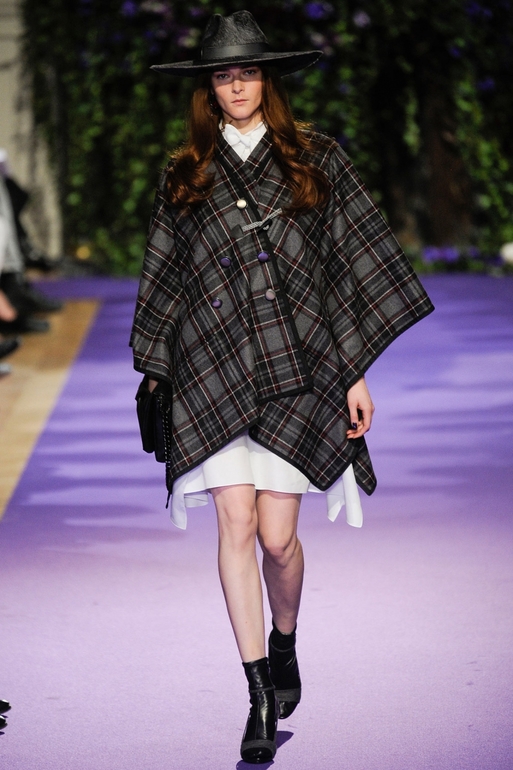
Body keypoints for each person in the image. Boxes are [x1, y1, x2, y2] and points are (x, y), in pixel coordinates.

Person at [130, 11, 434, 764]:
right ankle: (259, 692)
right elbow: (165, 276)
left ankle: (286, 639)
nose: (236, 86)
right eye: (223, 75)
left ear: (267, 79)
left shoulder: (315, 159)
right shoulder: (186, 172)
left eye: (248, 72)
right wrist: (157, 372)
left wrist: (353, 371)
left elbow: (346, 267)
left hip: (299, 368)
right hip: (212, 369)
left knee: (277, 538)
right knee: (234, 526)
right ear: (208, 87)